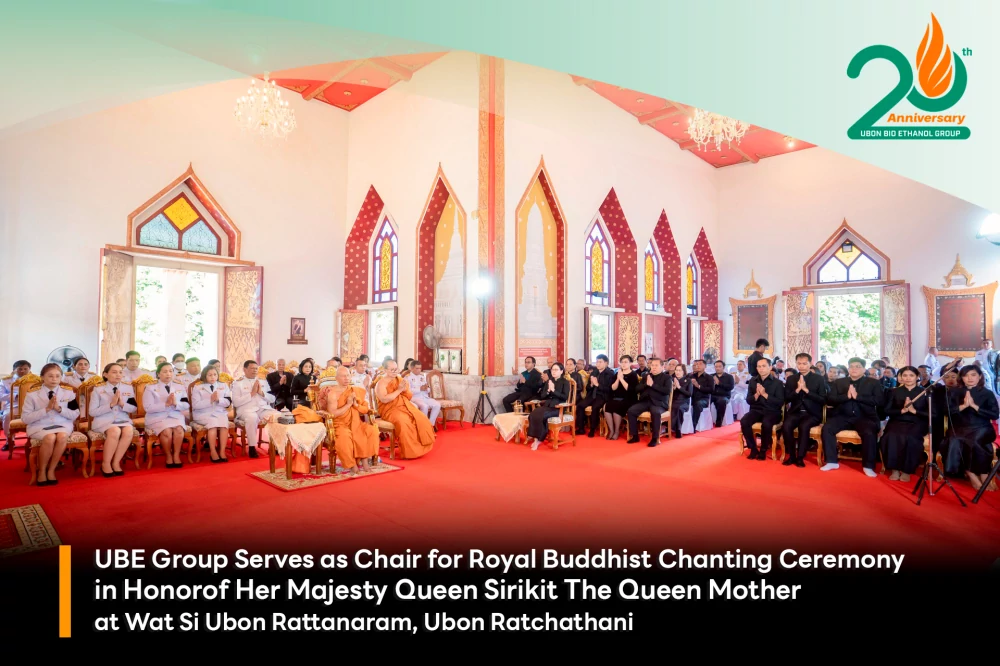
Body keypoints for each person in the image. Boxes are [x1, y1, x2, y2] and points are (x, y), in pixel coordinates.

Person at [821, 357, 883, 476]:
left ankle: (868, 466)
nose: (854, 369)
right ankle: (831, 461)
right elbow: (830, 400)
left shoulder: (873, 383)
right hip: (843, 415)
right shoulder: (839, 382)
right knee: (827, 428)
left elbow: (879, 401)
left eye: (858, 366)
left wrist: (858, 397)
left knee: (869, 432)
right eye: (851, 366)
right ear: (848, 368)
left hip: (864, 417)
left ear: (864, 369)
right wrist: (847, 396)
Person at [943, 365, 1000, 491]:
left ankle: (984, 473)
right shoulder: (953, 392)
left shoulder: (987, 393)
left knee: (976, 441)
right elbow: (946, 412)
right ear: (961, 378)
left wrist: (975, 406)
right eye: (966, 375)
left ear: (980, 376)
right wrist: (963, 406)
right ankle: (971, 473)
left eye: (973, 375)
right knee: (955, 440)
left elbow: (994, 414)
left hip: (982, 427)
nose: (970, 378)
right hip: (959, 427)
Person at [22, 363, 80, 485]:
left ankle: (52, 470)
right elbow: (25, 418)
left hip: (63, 424)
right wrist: (46, 410)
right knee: (50, 437)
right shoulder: (32, 394)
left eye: (57, 376)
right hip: (39, 426)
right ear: (42, 377)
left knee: (62, 436)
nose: (54, 379)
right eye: (50, 376)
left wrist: (59, 409)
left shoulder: (68, 393)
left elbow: (75, 414)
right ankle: (42, 470)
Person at [375, 360, 434, 459]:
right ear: (385, 370)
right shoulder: (381, 383)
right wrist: (399, 390)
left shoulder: (399, 379)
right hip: (389, 410)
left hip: (403, 406)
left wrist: (405, 388)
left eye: (396, 369)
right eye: (392, 369)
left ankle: (420, 448)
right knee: (404, 422)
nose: (395, 371)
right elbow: (384, 399)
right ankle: (409, 451)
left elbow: (409, 396)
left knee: (420, 418)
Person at [326, 366, 379, 474]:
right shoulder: (333, 394)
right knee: (345, 437)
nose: (346, 378)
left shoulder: (355, 390)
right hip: (340, 424)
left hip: (356, 423)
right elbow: (333, 414)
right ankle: (352, 465)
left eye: (348, 375)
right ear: (337, 378)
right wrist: (348, 404)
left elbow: (365, 409)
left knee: (371, 430)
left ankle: (364, 460)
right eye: (343, 376)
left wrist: (355, 405)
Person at [879, 366, 929, 482]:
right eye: (904, 375)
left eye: (911, 375)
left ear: (917, 377)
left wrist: (914, 411)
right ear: (900, 377)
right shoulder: (894, 391)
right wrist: (901, 411)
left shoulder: (924, 392)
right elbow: (886, 410)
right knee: (890, 436)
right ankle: (894, 469)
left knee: (911, 438)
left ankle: (907, 470)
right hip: (897, 421)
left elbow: (932, 414)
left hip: (917, 422)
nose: (908, 378)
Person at [89, 362, 137, 477]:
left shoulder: (128, 388)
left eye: (120, 372)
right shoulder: (98, 390)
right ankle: (106, 464)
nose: (118, 375)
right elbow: (92, 412)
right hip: (104, 420)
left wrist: (122, 404)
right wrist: (111, 404)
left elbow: (134, 408)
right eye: (114, 372)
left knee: (128, 431)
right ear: (105, 374)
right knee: (115, 430)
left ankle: (116, 463)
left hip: (122, 419)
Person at [781, 353, 828, 468]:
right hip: (795, 412)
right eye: (799, 363)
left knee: (804, 427)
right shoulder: (791, 379)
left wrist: (806, 390)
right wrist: (797, 390)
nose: (801, 366)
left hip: (812, 413)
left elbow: (822, 400)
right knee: (786, 426)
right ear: (796, 363)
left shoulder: (819, 379)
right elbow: (786, 399)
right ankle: (791, 456)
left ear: (810, 364)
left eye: (804, 364)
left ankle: (800, 457)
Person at [143, 362, 189, 468]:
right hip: (157, 417)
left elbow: (186, 404)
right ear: (158, 374)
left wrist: (176, 403)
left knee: (179, 429)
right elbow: (148, 408)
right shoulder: (150, 388)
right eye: (165, 372)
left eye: (170, 371)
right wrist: (165, 404)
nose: (168, 374)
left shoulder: (179, 386)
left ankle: (176, 455)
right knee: (167, 431)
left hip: (175, 415)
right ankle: (168, 456)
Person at [739, 357, 784, 460]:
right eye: (759, 366)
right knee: (744, 421)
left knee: (767, 423)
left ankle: (763, 450)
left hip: (772, 411)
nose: (761, 369)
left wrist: (764, 394)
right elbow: (748, 400)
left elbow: (780, 402)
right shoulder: (752, 381)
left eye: (764, 366)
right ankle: (753, 449)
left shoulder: (778, 383)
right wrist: (756, 395)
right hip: (756, 410)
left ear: (770, 367)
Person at [232, 360, 277, 459]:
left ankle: (275, 446)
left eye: (256, 368)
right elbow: (235, 402)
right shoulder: (237, 383)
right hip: (246, 410)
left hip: (262, 408)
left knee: (277, 416)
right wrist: (251, 394)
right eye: (252, 368)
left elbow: (273, 399)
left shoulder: (263, 382)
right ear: (245, 369)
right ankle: (252, 447)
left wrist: (261, 393)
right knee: (252, 418)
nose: (254, 371)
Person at [626, 358, 672, 447]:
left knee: (655, 412)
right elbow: (637, 389)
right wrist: (646, 384)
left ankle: (655, 438)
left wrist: (653, 385)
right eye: (652, 365)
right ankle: (635, 436)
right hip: (645, 401)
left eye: (656, 365)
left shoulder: (667, 377)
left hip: (659, 403)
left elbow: (667, 391)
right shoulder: (646, 376)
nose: (653, 367)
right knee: (631, 411)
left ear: (662, 367)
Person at [525, 362, 571, 451]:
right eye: (552, 370)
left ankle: (538, 439)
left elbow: (564, 397)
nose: (554, 372)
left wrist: (553, 390)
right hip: (547, 405)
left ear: (561, 371)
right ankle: (535, 437)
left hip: (558, 407)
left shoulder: (565, 382)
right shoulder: (549, 381)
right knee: (533, 413)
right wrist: (548, 391)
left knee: (542, 415)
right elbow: (542, 396)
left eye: (556, 370)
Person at [191, 366, 233, 463]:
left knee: (224, 425)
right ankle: (213, 451)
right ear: (205, 376)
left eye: (215, 374)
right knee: (213, 425)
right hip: (203, 413)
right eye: (209, 375)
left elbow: (228, 402)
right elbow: (195, 405)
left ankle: (222, 451)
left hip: (219, 412)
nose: (212, 377)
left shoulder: (223, 385)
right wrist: (210, 400)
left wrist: (219, 400)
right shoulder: (198, 387)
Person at [576, 354, 614, 437]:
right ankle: (581, 428)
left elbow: (609, 390)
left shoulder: (610, 374)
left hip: (603, 396)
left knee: (595, 407)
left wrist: (597, 384)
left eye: (600, 362)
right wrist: (592, 385)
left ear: (606, 363)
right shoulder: (594, 372)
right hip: (592, 395)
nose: (598, 364)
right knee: (580, 406)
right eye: (597, 362)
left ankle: (592, 429)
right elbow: (588, 388)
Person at [604, 355, 638, 440]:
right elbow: (613, 388)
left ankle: (616, 431)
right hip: (617, 397)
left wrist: (622, 379)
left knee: (617, 407)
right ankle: (611, 430)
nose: (623, 364)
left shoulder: (633, 375)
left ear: (630, 363)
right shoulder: (617, 374)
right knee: (606, 406)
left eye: (626, 362)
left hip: (629, 398)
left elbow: (630, 390)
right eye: (622, 362)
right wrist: (618, 379)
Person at [1, 360, 33, 450]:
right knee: (7, 416)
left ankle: (35, 440)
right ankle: (9, 440)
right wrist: (16, 396)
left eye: (25, 369)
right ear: (14, 370)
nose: (22, 371)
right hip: (14, 405)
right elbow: (1, 396)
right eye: (20, 369)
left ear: (29, 370)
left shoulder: (36, 380)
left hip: (31, 405)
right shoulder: (6, 381)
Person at [404, 361, 442, 427]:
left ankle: (430, 425)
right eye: (417, 368)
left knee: (437, 405)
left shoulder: (422, 377)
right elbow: (408, 391)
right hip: (415, 398)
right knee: (424, 406)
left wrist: (427, 388)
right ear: (412, 368)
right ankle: (422, 426)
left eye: (420, 368)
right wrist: (420, 389)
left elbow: (428, 389)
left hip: (424, 397)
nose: (419, 370)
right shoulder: (407, 378)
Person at [688, 359, 714, 431]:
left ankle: (693, 425)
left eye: (700, 364)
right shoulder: (691, 376)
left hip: (703, 398)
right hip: (691, 397)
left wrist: (698, 386)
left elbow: (711, 390)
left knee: (698, 404)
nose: (698, 366)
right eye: (696, 364)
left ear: (705, 366)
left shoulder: (709, 377)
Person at [669, 363, 692, 439]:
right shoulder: (671, 379)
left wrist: (679, 387)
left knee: (678, 408)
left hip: (684, 402)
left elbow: (689, 394)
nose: (677, 372)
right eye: (676, 370)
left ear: (684, 372)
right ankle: (668, 428)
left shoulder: (688, 381)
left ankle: (678, 429)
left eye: (679, 370)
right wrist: (673, 389)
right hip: (672, 401)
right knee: (670, 407)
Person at [710, 360, 734, 427]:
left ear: (723, 367)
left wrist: (719, 383)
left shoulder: (729, 377)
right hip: (713, 395)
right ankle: (708, 422)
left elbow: (730, 387)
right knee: (705, 400)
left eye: (719, 366)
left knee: (721, 401)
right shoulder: (711, 376)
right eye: (716, 366)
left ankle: (718, 422)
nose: (717, 368)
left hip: (724, 395)